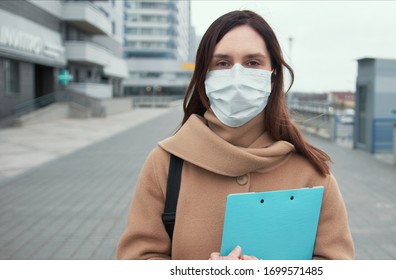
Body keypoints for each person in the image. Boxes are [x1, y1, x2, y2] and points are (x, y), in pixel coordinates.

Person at [117, 10, 354, 260]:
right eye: (222, 63)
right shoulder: (166, 163)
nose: (237, 76)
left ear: (273, 76)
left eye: (253, 63)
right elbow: (137, 259)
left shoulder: (312, 173)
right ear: (204, 77)